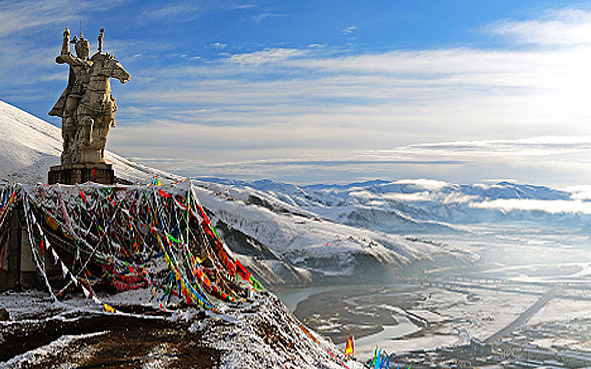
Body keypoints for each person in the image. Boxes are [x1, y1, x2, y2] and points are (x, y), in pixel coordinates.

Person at [49, 28, 94, 165]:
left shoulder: (93, 64)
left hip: (90, 91)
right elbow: (65, 55)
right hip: (76, 91)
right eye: (84, 48)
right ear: (79, 50)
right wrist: (66, 40)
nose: (86, 51)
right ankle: (68, 123)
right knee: (70, 105)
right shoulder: (76, 62)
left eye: (88, 48)